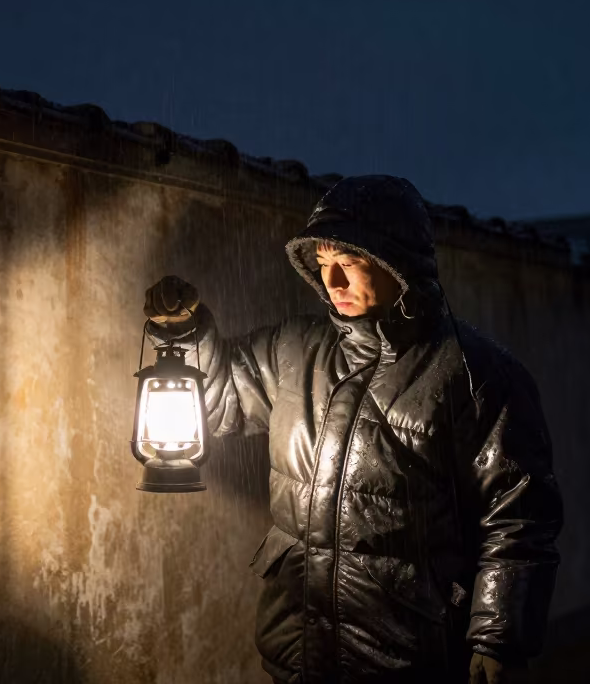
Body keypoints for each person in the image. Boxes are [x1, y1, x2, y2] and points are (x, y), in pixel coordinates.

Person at [143, 175, 563, 684]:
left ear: (397, 264)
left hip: (410, 655)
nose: (332, 283)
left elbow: (517, 519)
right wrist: (184, 336)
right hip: (298, 652)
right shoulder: (292, 350)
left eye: (349, 265)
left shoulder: (475, 375)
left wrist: (499, 639)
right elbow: (215, 408)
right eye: (322, 266)